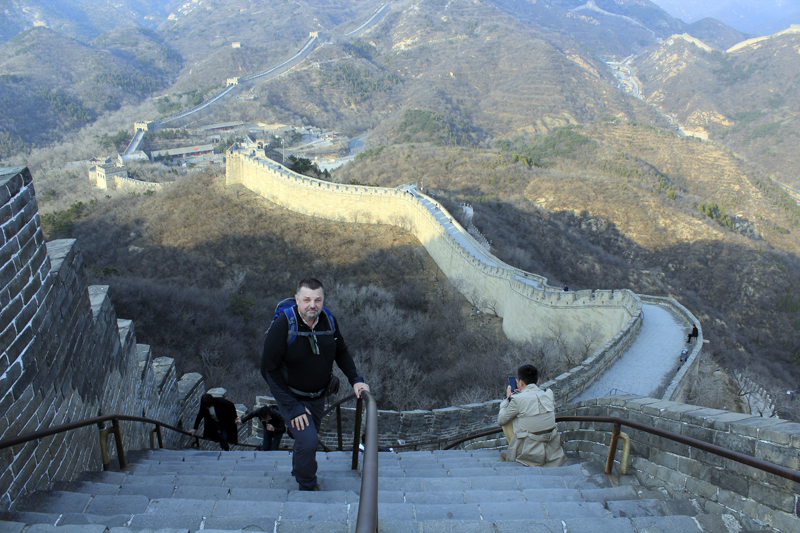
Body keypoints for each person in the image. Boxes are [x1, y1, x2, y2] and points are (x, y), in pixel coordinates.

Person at [261, 278, 370, 491]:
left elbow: (341, 351)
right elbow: (268, 370)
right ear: (297, 300)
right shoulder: (283, 325)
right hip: (291, 396)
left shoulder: (328, 320)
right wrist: (292, 407)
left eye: (318, 300)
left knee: (307, 440)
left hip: (319, 396)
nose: (313, 305)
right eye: (307, 299)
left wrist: (356, 380)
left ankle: (298, 467)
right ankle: (307, 484)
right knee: (310, 441)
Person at [497, 364, 566, 467]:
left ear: (520, 382)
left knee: (506, 420)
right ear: (537, 382)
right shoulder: (549, 394)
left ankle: (513, 455)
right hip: (551, 449)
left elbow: (501, 420)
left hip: (528, 451)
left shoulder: (517, 399)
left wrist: (507, 400)